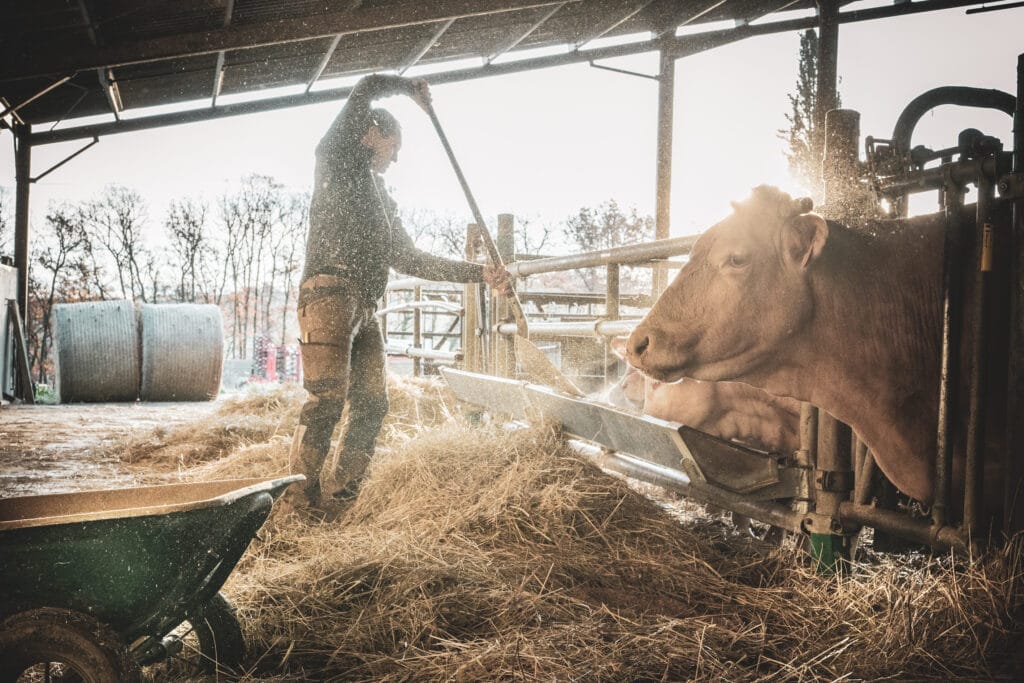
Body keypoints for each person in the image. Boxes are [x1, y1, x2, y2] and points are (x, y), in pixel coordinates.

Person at [291, 73, 511, 508]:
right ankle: (297, 500)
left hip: (365, 306)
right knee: (327, 399)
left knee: (372, 401)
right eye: (395, 148)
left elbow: (411, 259)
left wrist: (480, 273)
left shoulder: (382, 199)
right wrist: (409, 89)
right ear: (372, 132)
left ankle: (341, 495)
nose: (394, 160)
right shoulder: (336, 158)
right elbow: (367, 85)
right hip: (330, 294)